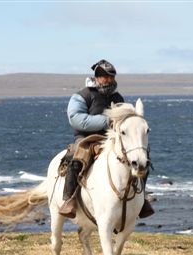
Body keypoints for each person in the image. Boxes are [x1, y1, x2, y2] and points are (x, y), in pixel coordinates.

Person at [59, 59, 154, 219]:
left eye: (111, 76)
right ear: (96, 77)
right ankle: (69, 200)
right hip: (87, 139)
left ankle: (140, 198)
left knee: (142, 157)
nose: (108, 79)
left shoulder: (118, 97)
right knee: (77, 157)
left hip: (112, 139)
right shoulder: (82, 96)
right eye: (104, 76)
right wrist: (106, 121)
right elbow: (75, 118)